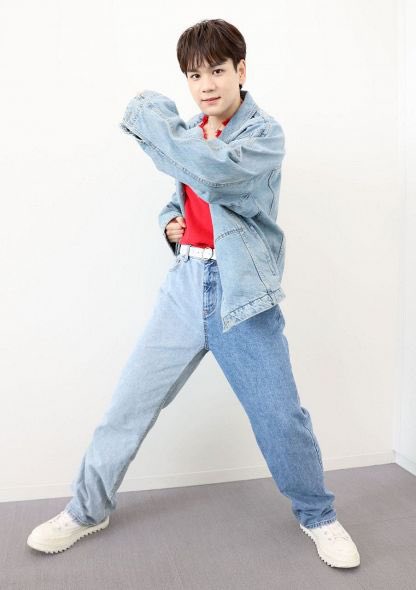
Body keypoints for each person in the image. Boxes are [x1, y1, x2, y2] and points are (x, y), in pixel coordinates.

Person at [27, 18, 360, 569]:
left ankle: (318, 516)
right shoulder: (186, 134)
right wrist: (169, 224)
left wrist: (147, 121)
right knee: (128, 404)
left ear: (241, 71)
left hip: (241, 294)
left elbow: (216, 179)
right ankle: (86, 509)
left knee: (281, 418)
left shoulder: (263, 135)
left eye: (217, 71)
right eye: (194, 75)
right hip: (186, 285)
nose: (206, 85)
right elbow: (182, 195)